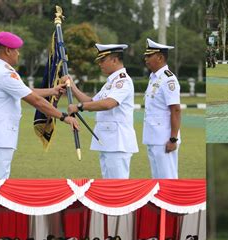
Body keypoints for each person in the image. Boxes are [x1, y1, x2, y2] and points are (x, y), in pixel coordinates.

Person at [0, 31, 79, 179]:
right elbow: (34, 100)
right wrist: (64, 117)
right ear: (7, 50)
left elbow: (26, 90)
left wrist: (52, 90)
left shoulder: (3, 69)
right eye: (16, 50)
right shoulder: (4, 73)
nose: (18, 54)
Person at [64, 44, 138, 178]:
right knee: (108, 186)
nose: (99, 64)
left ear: (115, 60)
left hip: (118, 143)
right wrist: (72, 86)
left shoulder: (123, 81)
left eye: (102, 60)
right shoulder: (110, 82)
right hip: (107, 141)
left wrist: (79, 107)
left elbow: (109, 103)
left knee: (117, 188)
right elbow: (92, 102)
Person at [143, 38, 181, 179]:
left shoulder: (168, 79)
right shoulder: (153, 78)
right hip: (153, 137)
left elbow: (175, 109)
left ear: (160, 57)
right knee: (157, 180)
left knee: (168, 179)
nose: (146, 59)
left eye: (149, 56)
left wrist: (173, 139)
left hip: (165, 139)